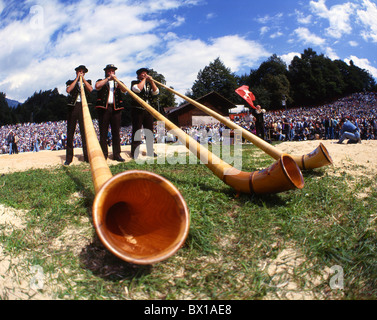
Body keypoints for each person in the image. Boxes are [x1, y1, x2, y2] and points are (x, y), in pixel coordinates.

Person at [95, 64, 126, 162]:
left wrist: (116, 80)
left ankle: (117, 154)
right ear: (106, 72)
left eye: (113, 71)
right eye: (109, 71)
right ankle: (103, 154)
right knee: (103, 133)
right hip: (104, 108)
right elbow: (97, 86)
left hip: (116, 109)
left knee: (116, 132)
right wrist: (108, 79)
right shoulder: (101, 81)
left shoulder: (118, 82)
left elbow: (125, 90)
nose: (111, 73)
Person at [64, 65, 93, 165]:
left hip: (84, 107)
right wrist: (77, 79)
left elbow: (91, 89)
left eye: (82, 72)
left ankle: (86, 156)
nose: (81, 73)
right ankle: (69, 158)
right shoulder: (70, 82)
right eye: (79, 71)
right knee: (70, 133)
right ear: (76, 72)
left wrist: (83, 80)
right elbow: (68, 90)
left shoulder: (87, 81)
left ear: (84, 73)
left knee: (84, 133)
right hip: (73, 106)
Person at [130, 68, 159, 159]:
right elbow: (138, 89)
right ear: (138, 76)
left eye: (146, 74)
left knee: (149, 131)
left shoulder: (149, 84)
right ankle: (134, 152)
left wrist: (152, 82)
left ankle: (150, 150)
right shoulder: (134, 82)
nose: (145, 75)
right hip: (138, 110)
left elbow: (156, 92)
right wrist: (144, 79)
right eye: (143, 74)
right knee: (137, 131)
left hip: (148, 110)